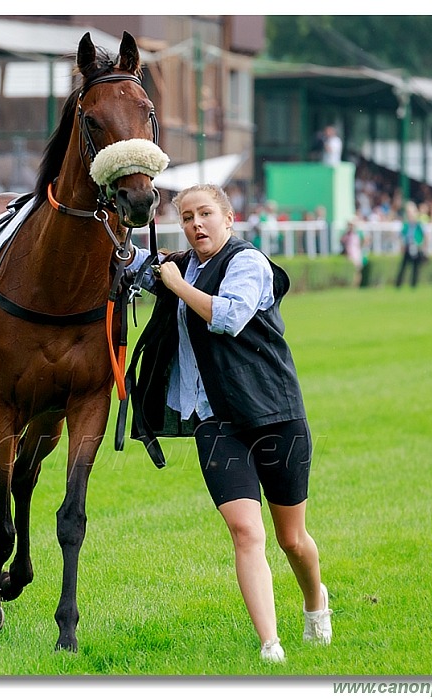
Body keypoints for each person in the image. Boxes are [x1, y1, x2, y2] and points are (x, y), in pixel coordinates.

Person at [125, 183, 332, 663]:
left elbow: (229, 317)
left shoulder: (248, 263)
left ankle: (315, 600)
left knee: (291, 539)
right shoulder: (181, 266)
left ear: (228, 219)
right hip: (214, 421)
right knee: (245, 531)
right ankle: (270, 646)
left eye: (205, 215)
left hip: (273, 415)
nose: (196, 224)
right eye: (187, 217)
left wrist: (175, 285)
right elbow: (131, 261)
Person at [395, 201, 427, 288]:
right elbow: (401, 235)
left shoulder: (419, 224)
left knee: (415, 267)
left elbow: (425, 236)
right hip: (408, 247)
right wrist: (402, 245)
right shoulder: (406, 225)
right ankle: (398, 284)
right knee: (403, 267)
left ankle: (413, 284)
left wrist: (422, 247)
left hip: (417, 247)